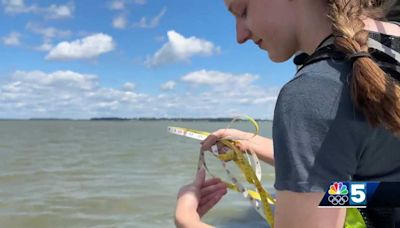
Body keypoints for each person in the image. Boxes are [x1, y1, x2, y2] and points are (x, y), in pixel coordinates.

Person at [175, 0, 400, 227]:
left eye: (243, 11)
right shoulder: (385, 49)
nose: (239, 36)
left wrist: (187, 219)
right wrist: (249, 143)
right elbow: (386, 182)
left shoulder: (314, 90)